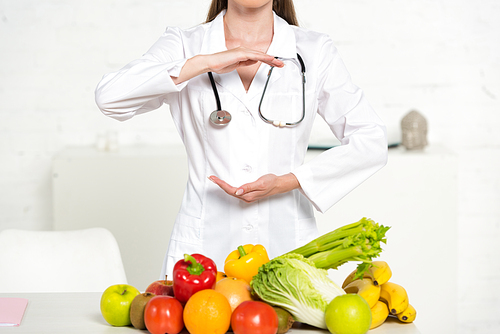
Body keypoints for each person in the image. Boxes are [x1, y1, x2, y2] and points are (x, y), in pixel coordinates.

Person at [95, 0, 388, 277]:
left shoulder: (313, 50)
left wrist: (289, 181)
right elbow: (110, 98)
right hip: (202, 250)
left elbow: (371, 140)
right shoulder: (185, 45)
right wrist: (204, 62)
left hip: (286, 244)